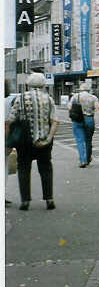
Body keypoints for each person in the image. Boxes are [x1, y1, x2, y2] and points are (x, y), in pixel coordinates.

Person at [5, 72, 58, 210]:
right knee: (46, 168)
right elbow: (54, 121)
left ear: (28, 84)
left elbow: (10, 120)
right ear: (43, 84)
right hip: (43, 141)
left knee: (23, 168)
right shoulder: (49, 99)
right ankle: (49, 199)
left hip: (24, 141)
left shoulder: (20, 98)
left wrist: (8, 140)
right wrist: (48, 139)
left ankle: (25, 201)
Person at [69, 81, 99, 168]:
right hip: (89, 119)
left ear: (80, 89)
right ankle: (88, 159)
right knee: (88, 140)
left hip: (78, 119)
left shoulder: (75, 96)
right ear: (89, 90)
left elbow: (69, 107)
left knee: (80, 140)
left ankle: (82, 160)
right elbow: (98, 109)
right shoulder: (93, 97)